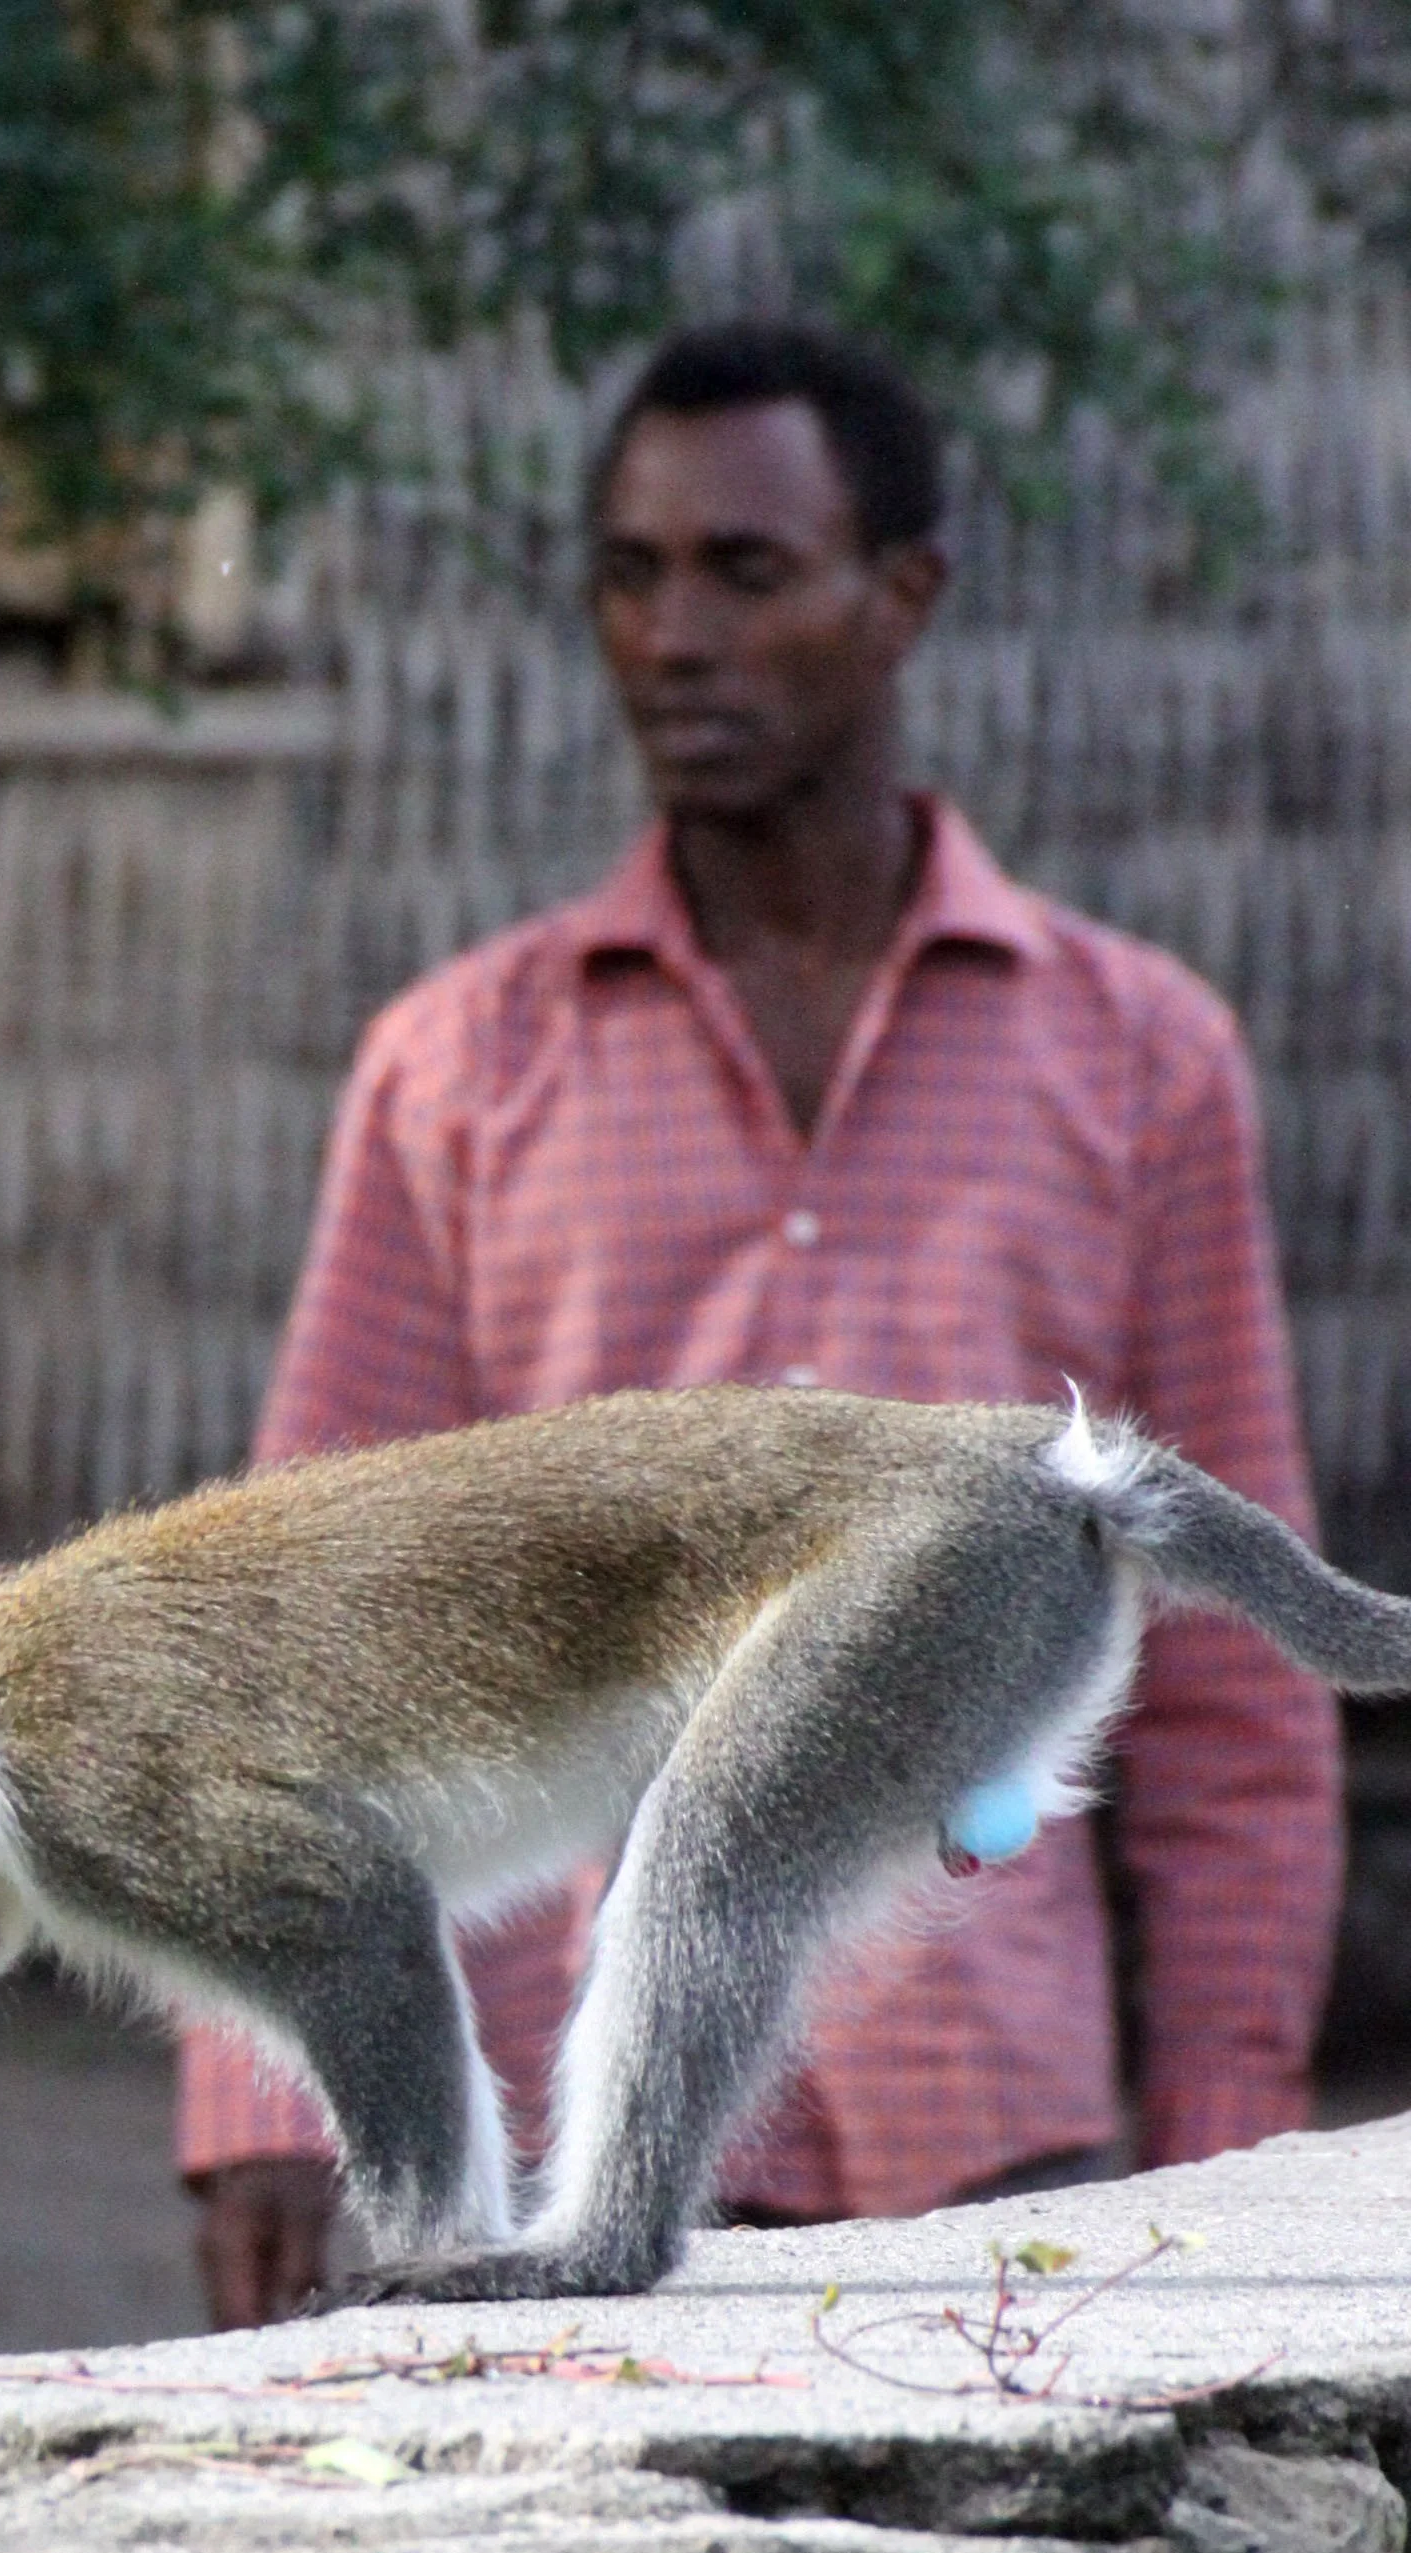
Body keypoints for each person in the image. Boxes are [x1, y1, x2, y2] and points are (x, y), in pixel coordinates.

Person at [180, 320, 1343, 2329]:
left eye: (744, 571)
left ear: (904, 598)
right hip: (546, 2135)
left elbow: (1237, 1697)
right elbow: (287, 1615)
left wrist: (1225, 2116)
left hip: (991, 2127)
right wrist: (257, 2092)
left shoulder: (1139, 1058)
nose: (671, 637)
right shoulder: (456, 1070)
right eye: (628, 578)